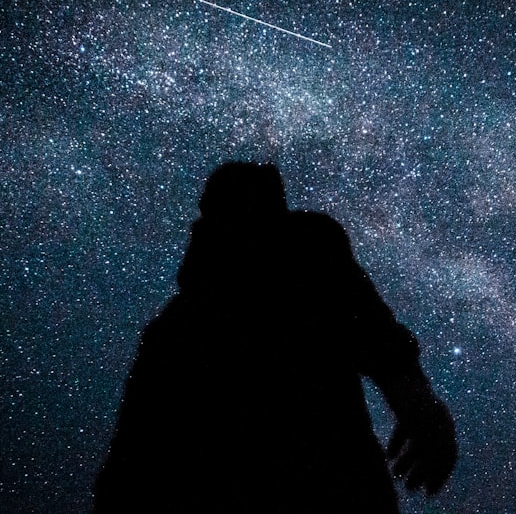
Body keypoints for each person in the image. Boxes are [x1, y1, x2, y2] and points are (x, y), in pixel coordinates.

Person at [94, 162, 457, 513]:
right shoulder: (305, 248)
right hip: (323, 485)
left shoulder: (172, 327)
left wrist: (418, 406)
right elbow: (378, 338)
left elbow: (128, 461)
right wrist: (418, 406)